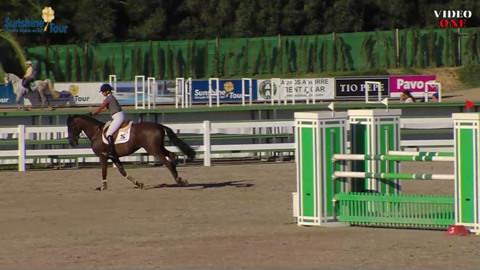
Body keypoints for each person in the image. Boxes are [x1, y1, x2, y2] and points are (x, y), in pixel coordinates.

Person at [91, 84, 124, 160]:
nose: (102, 93)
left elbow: (101, 107)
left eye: (103, 91)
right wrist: (96, 113)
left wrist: (94, 113)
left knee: (109, 133)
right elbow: (105, 109)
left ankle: (112, 152)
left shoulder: (108, 98)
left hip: (118, 116)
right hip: (118, 116)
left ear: (107, 91)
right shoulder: (110, 98)